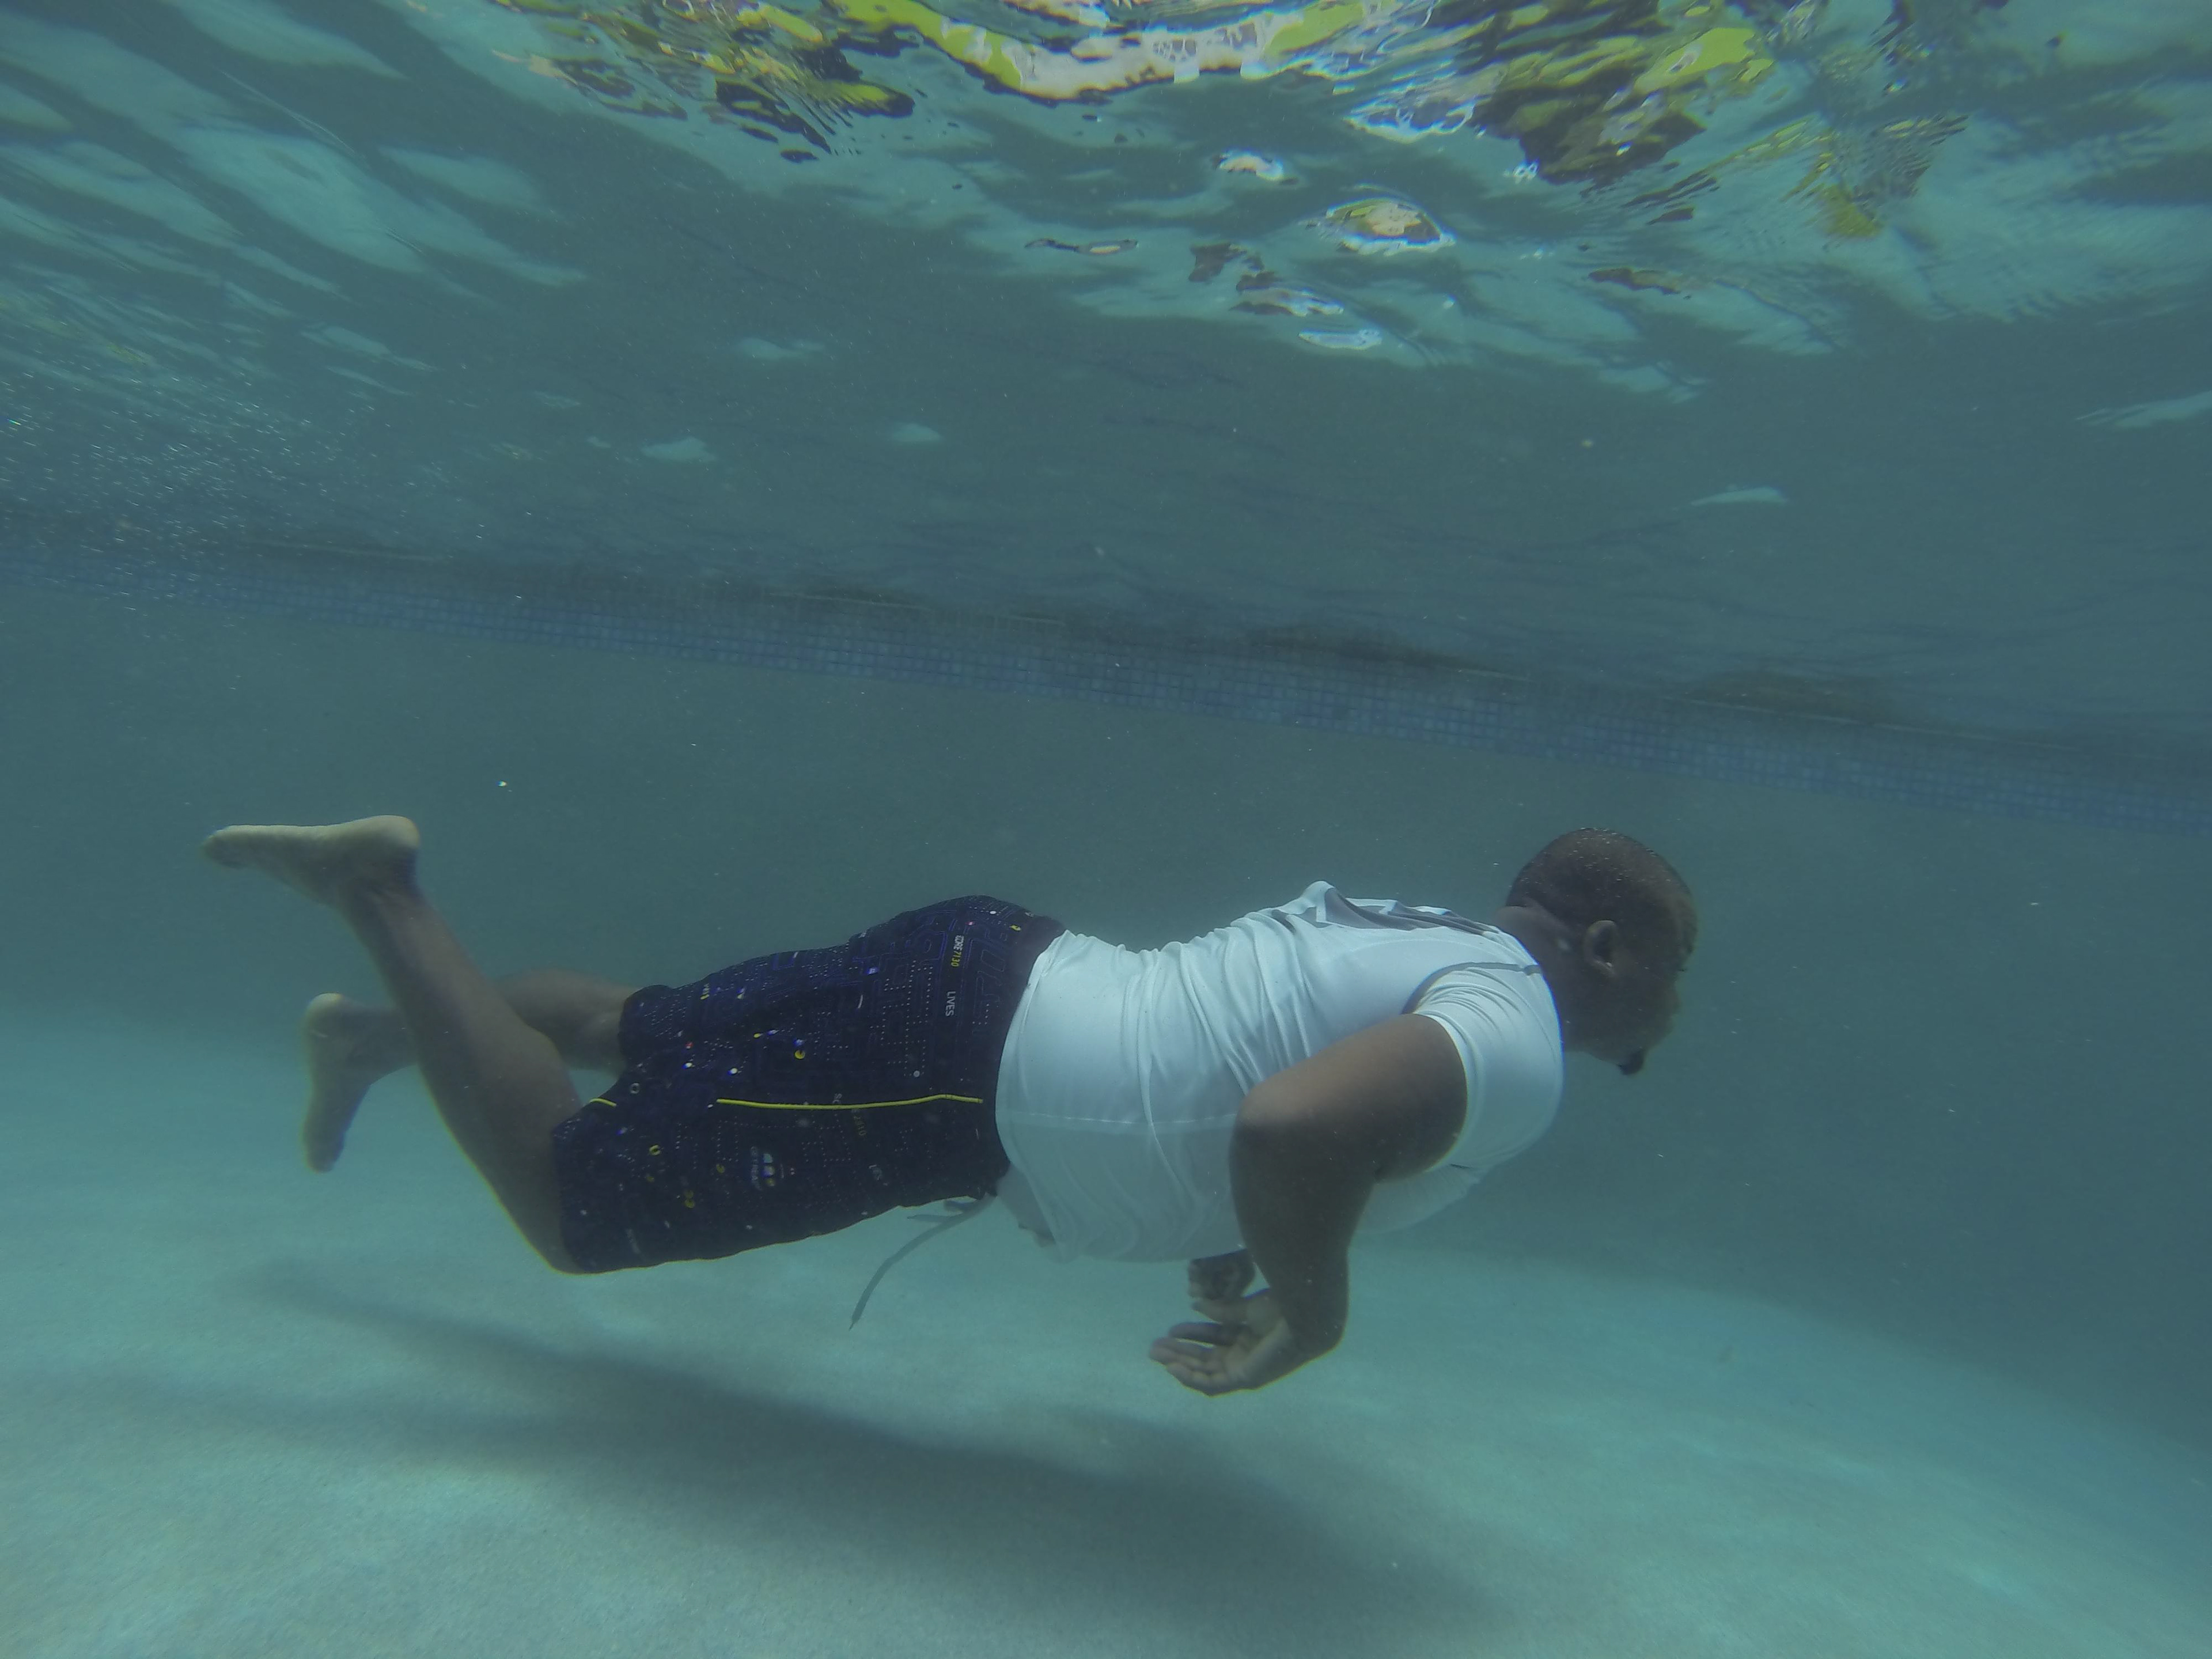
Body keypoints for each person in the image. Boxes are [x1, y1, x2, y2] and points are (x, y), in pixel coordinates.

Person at [203, 817, 1694, 1396]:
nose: (1668, 1027)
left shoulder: (1433, 938)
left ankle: (373, 1040)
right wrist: (1313, 1315)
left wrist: (1235, 1233)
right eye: (1673, 987)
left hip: (985, 967)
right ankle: (379, 893)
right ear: (1609, 950)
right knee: (572, 1203)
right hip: (961, 1084)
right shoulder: (1518, 1032)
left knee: (625, 1024)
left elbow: (1252, 1057)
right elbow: (1293, 1130)